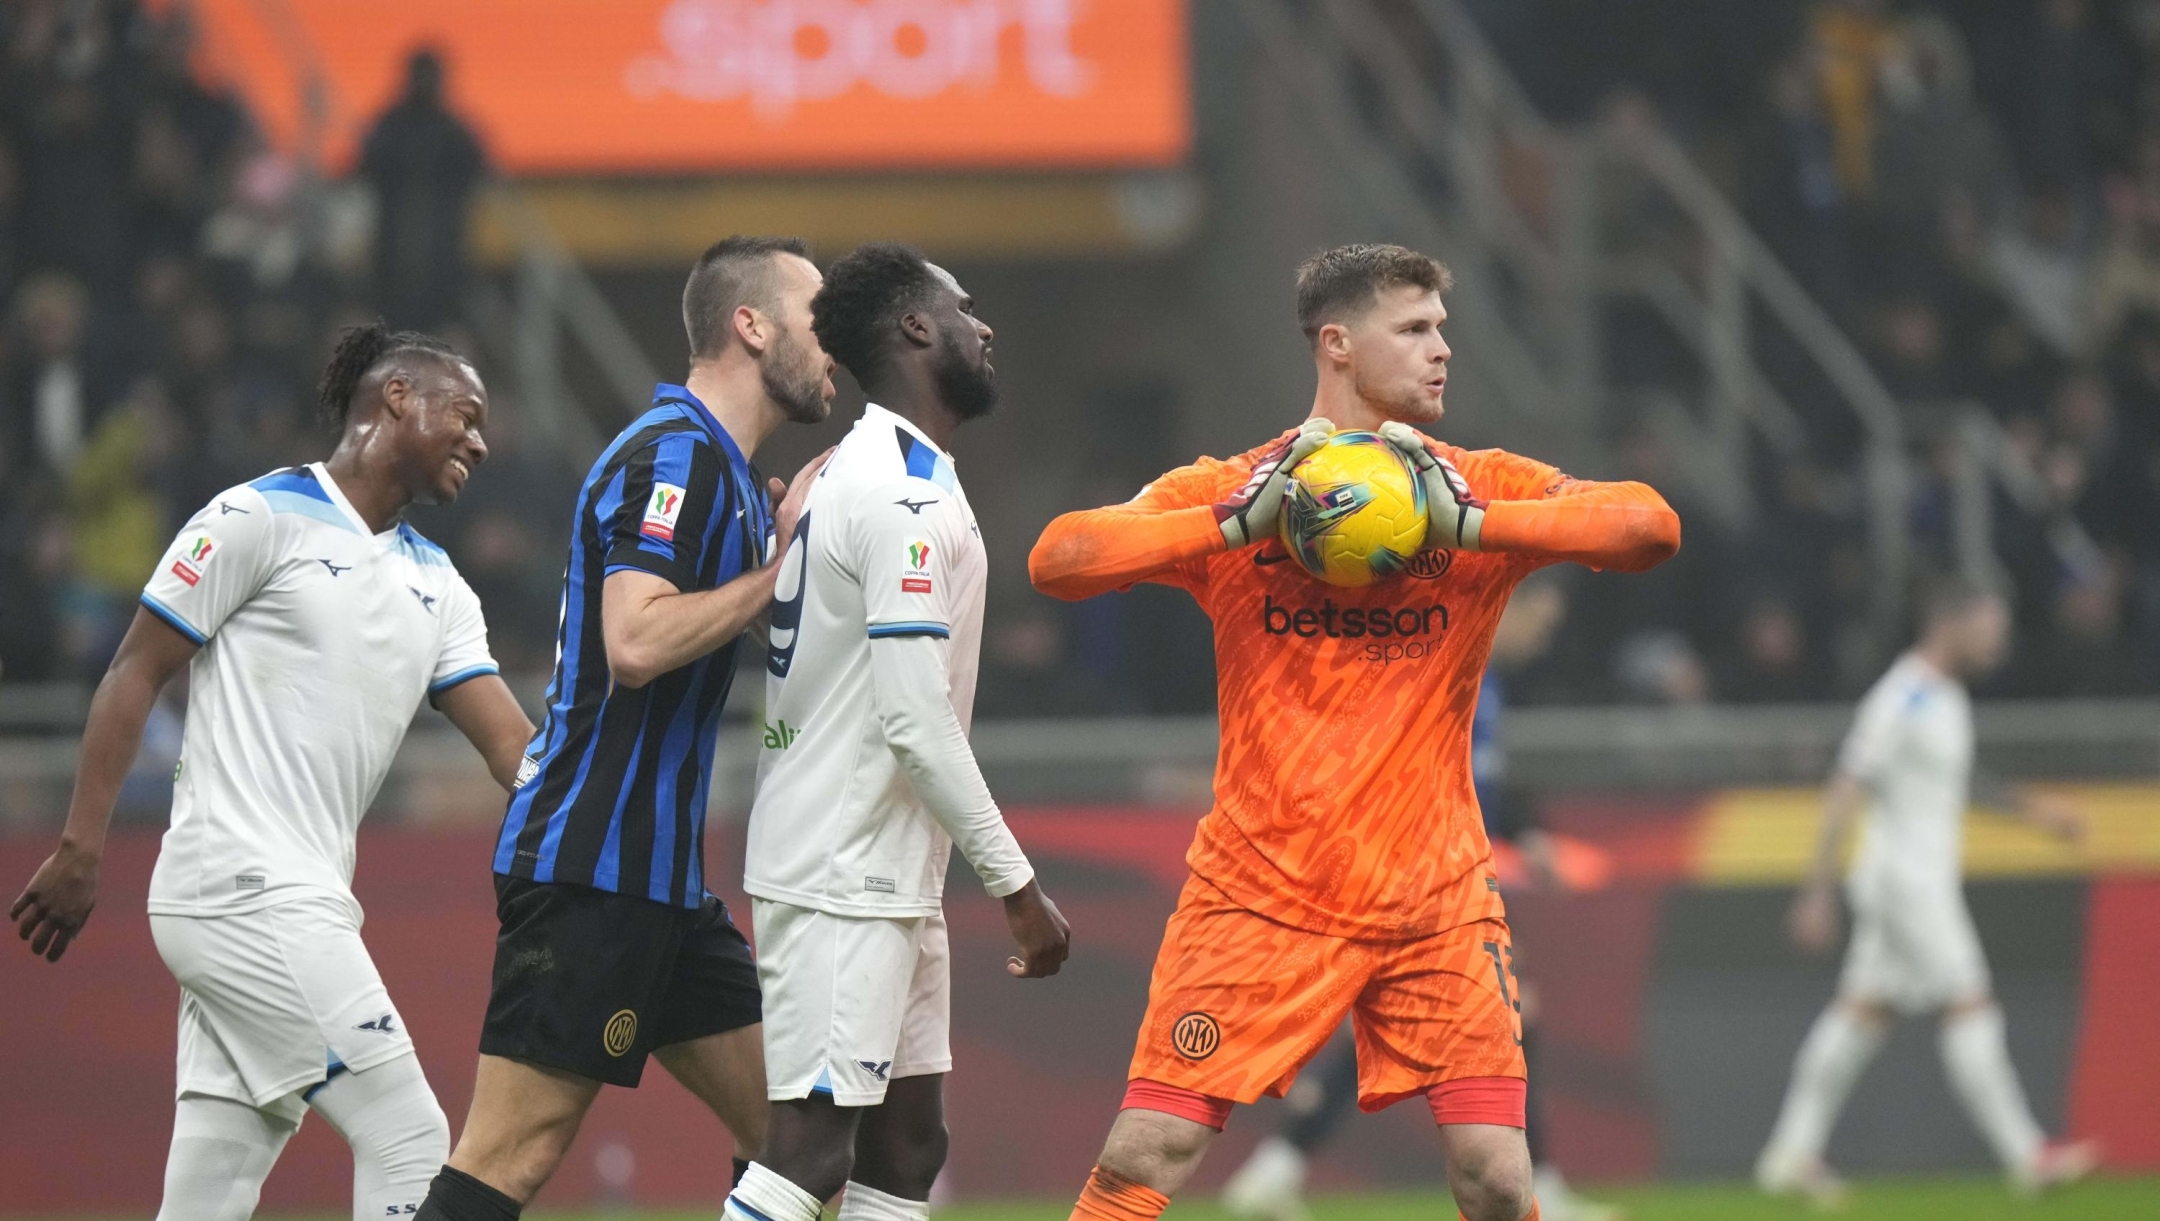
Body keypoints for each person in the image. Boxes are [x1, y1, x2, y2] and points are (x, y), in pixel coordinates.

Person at [1030, 243, 1681, 1221]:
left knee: (1501, 1177)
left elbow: (1649, 527)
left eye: (1442, 328)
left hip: (1436, 896)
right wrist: (1234, 522)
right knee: (1150, 1147)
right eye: (1415, 329)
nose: (1443, 350)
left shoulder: (1475, 484)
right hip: (1260, 894)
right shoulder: (1244, 488)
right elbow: (1058, 559)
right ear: (1336, 344)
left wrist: (1470, 527)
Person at [10, 323, 536, 1221]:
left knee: (208, 1193)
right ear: (396, 397)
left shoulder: (439, 584)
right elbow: (135, 671)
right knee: (408, 1135)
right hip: (241, 887)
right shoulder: (259, 516)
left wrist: (605, 785)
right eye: (465, 413)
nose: (480, 441)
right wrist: (80, 845)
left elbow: (514, 751)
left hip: (302, 897)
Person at [413, 236, 834, 1221]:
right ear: (751, 324)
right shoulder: (674, 454)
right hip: (591, 871)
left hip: (659, 888)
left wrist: (772, 559)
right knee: (509, 1158)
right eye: (816, 319)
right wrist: (777, 576)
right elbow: (636, 640)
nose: (833, 348)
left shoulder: (721, 468)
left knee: (800, 1146)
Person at [721, 243, 1071, 1221]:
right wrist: (1018, 885)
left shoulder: (885, 474)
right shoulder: (896, 490)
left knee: (909, 1147)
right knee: (808, 1148)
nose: (984, 327)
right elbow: (914, 719)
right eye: (963, 308)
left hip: (881, 864)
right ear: (916, 328)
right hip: (843, 865)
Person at [1218, 579, 1624, 1221]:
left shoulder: (1485, 680)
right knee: (1511, 1014)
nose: (1545, 636)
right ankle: (1539, 1185)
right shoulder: (1439, 664)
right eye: (1541, 617)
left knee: (1429, 1024)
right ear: (1508, 602)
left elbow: (1473, 778)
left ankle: (1274, 1171)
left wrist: (1523, 833)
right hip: (1419, 875)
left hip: (1450, 871)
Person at [1756, 579, 2098, 1205]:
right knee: (1969, 1000)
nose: (1998, 643)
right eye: (1989, 628)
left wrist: (2036, 812)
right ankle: (2028, 1157)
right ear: (1952, 623)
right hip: (1906, 882)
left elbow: (1959, 779)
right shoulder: (1902, 695)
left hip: (1910, 879)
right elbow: (1848, 783)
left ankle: (1788, 1153)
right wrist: (1816, 890)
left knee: (1863, 1012)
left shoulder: (1943, 697)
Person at [359, 48, 485, 331]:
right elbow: (366, 166)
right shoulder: (391, 125)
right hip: (394, 253)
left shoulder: (452, 130)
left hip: (440, 254)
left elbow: (476, 165)